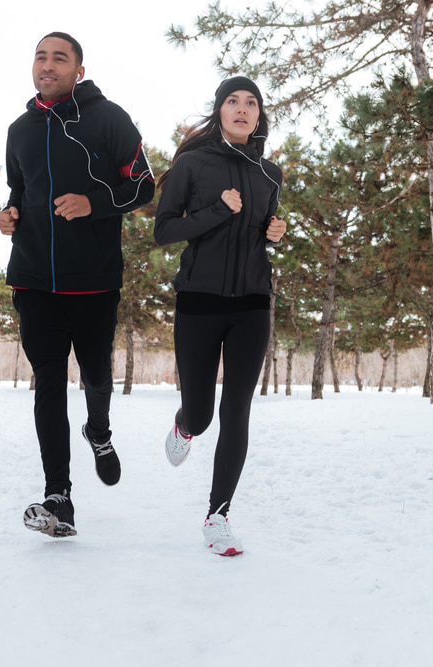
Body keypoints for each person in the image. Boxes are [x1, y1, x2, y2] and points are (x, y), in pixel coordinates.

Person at [0, 32, 155, 539]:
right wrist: (9, 214)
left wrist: (94, 201)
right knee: (48, 385)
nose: (48, 65)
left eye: (59, 58)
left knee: (96, 377)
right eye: (41, 56)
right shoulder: (20, 129)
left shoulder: (109, 118)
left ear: (78, 71)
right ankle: (58, 497)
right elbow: (18, 190)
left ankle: (100, 432)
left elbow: (144, 185)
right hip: (35, 281)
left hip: (93, 281)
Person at [154, 76, 287, 556]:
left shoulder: (270, 173)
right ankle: (184, 423)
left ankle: (218, 516)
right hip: (200, 302)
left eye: (251, 103)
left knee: (237, 412)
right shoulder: (193, 163)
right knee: (204, 415)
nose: (243, 109)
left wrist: (275, 233)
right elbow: (164, 230)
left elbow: (259, 233)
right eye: (233, 101)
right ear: (220, 110)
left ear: (258, 116)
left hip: (252, 304)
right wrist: (217, 211)